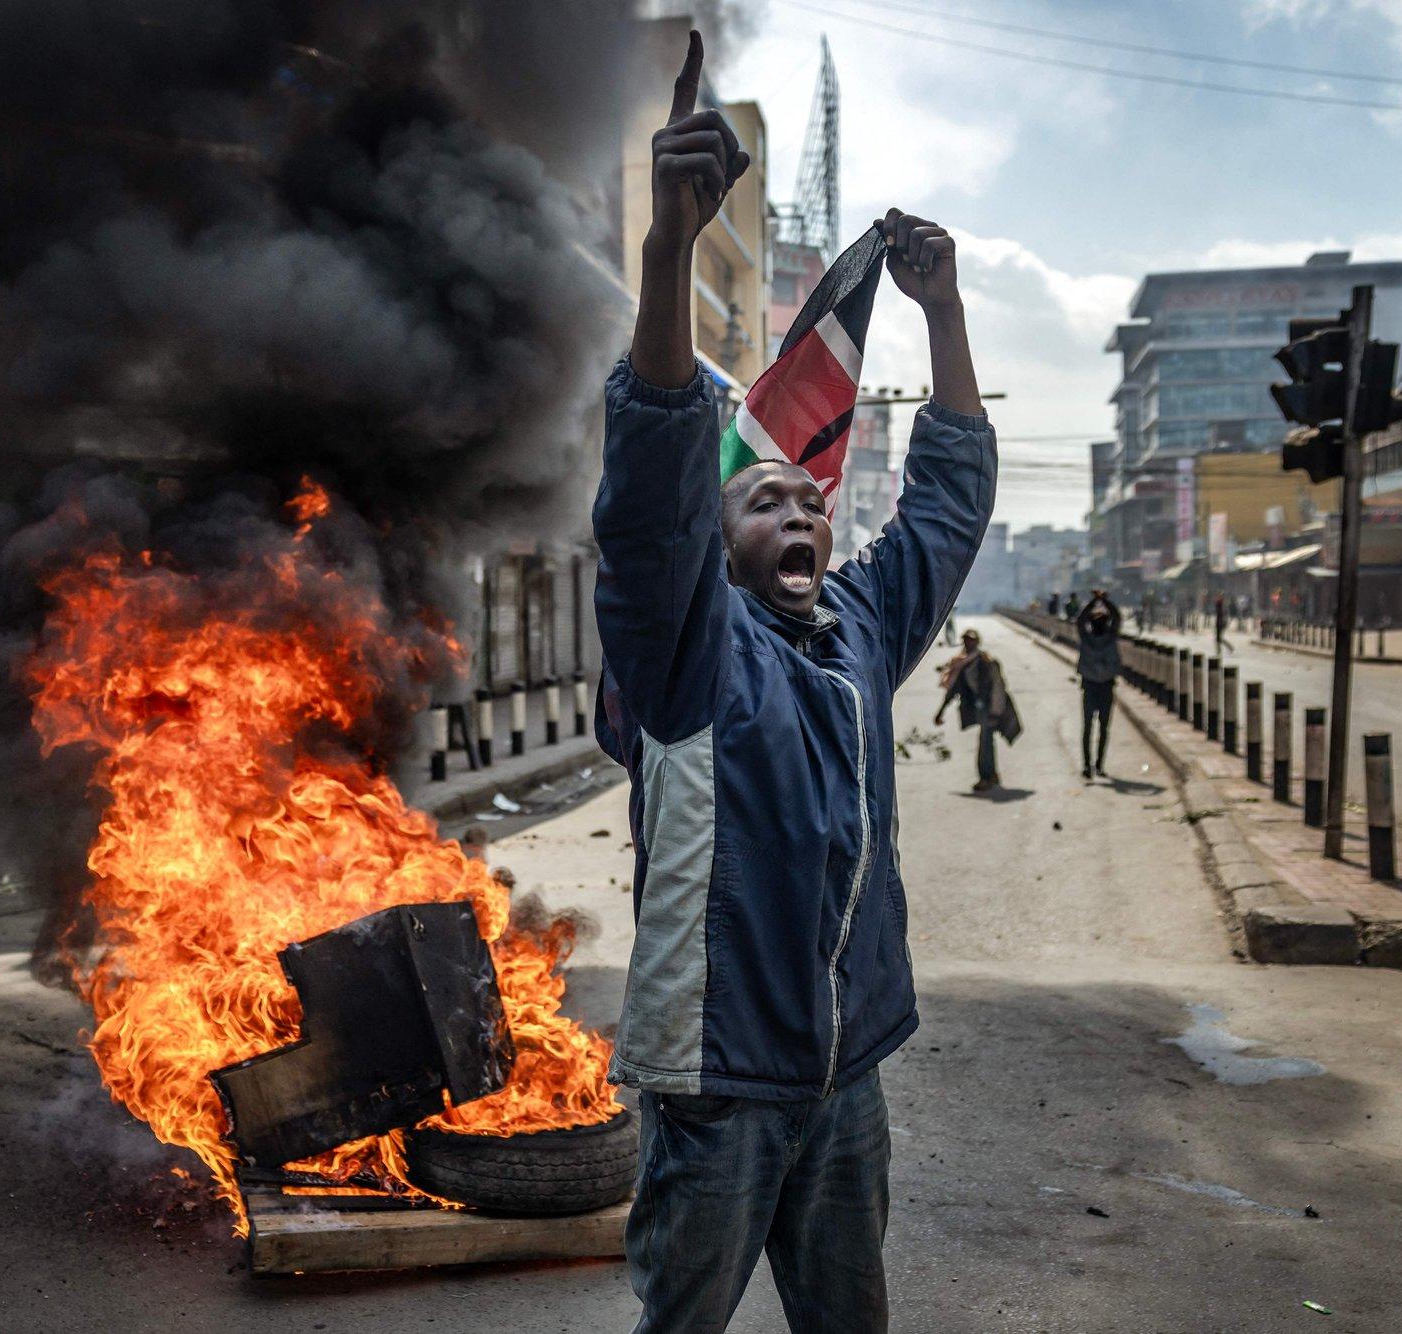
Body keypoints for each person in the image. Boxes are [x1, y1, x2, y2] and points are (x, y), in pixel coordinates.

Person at [592, 32, 995, 1333]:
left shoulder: (860, 634)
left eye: (812, 498)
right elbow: (651, 489)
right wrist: (664, 253)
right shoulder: (687, 649)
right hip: (713, 1087)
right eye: (765, 496)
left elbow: (942, 508)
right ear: (712, 544)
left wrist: (943, 312)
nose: (804, 511)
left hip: (842, 1084)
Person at [936, 628, 1019, 791]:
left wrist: (995, 712)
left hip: (990, 708)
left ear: (977, 642)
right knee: (986, 741)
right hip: (979, 708)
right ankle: (991, 775)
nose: (968, 643)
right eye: (966, 640)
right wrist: (940, 712)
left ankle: (986, 777)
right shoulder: (961, 664)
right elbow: (953, 690)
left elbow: (998, 688)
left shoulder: (987, 662)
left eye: (971, 640)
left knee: (985, 742)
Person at [1075, 591, 1121, 779]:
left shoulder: (1097, 638)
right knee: (1092, 729)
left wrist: (1098, 601)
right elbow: (1081, 620)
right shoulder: (1099, 638)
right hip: (1096, 688)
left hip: (1100, 688)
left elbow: (1081, 620)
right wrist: (1100, 601)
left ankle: (1097, 765)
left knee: (1097, 729)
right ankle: (1089, 765)